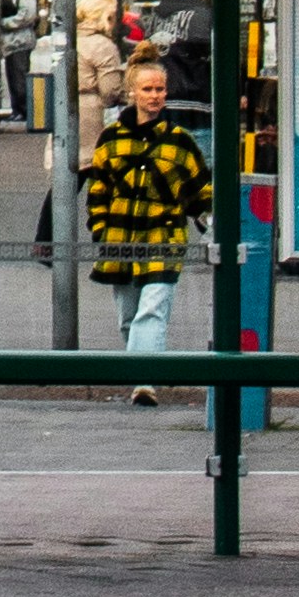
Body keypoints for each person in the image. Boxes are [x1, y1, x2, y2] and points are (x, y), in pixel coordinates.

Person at [80, 43, 213, 390]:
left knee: (151, 311)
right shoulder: (111, 139)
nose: (155, 96)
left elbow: (200, 193)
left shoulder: (180, 142)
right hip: (120, 241)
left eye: (160, 90)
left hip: (164, 239)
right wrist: (100, 230)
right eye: (148, 89)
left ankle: (144, 382)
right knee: (128, 317)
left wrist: (210, 225)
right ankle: (140, 368)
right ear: (132, 93)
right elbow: (98, 192)